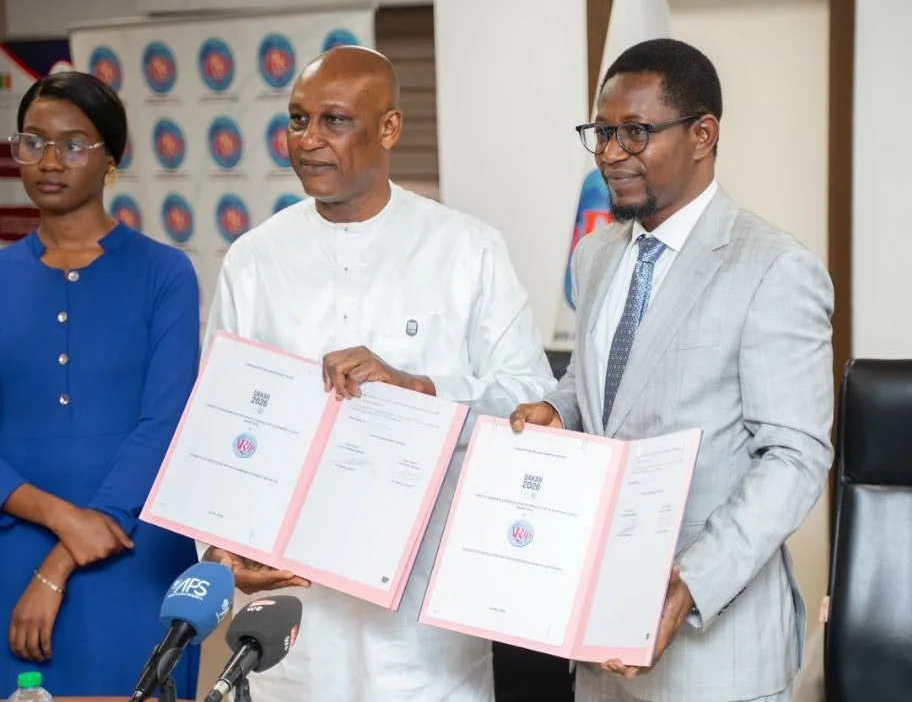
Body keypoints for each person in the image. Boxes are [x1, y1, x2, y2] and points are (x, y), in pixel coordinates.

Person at [199, 46, 555, 701]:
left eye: (334, 120)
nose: (308, 139)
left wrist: (422, 391)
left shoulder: (466, 248)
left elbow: (532, 403)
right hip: (296, 612)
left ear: (389, 128)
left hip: (422, 621)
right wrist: (219, 549)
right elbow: (220, 422)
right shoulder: (255, 259)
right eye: (298, 119)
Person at [510, 38, 836, 702]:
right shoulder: (596, 254)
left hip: (713, 654)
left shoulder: (775, 268)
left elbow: (795, 456)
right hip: (598, 639)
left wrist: (691, 580)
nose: (610, 153)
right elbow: (597, 385)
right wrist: (558, 410)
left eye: (635, 132)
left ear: (702, 135)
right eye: (602, 132)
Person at [0, 72, 201, 695]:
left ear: (110, 158)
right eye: (33, 141)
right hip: (12, 542)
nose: (49, 160)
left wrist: (61, 562)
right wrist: (61, 519)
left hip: (133, 545)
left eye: (73, 144)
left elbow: (165, 424)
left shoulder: (165, 273)